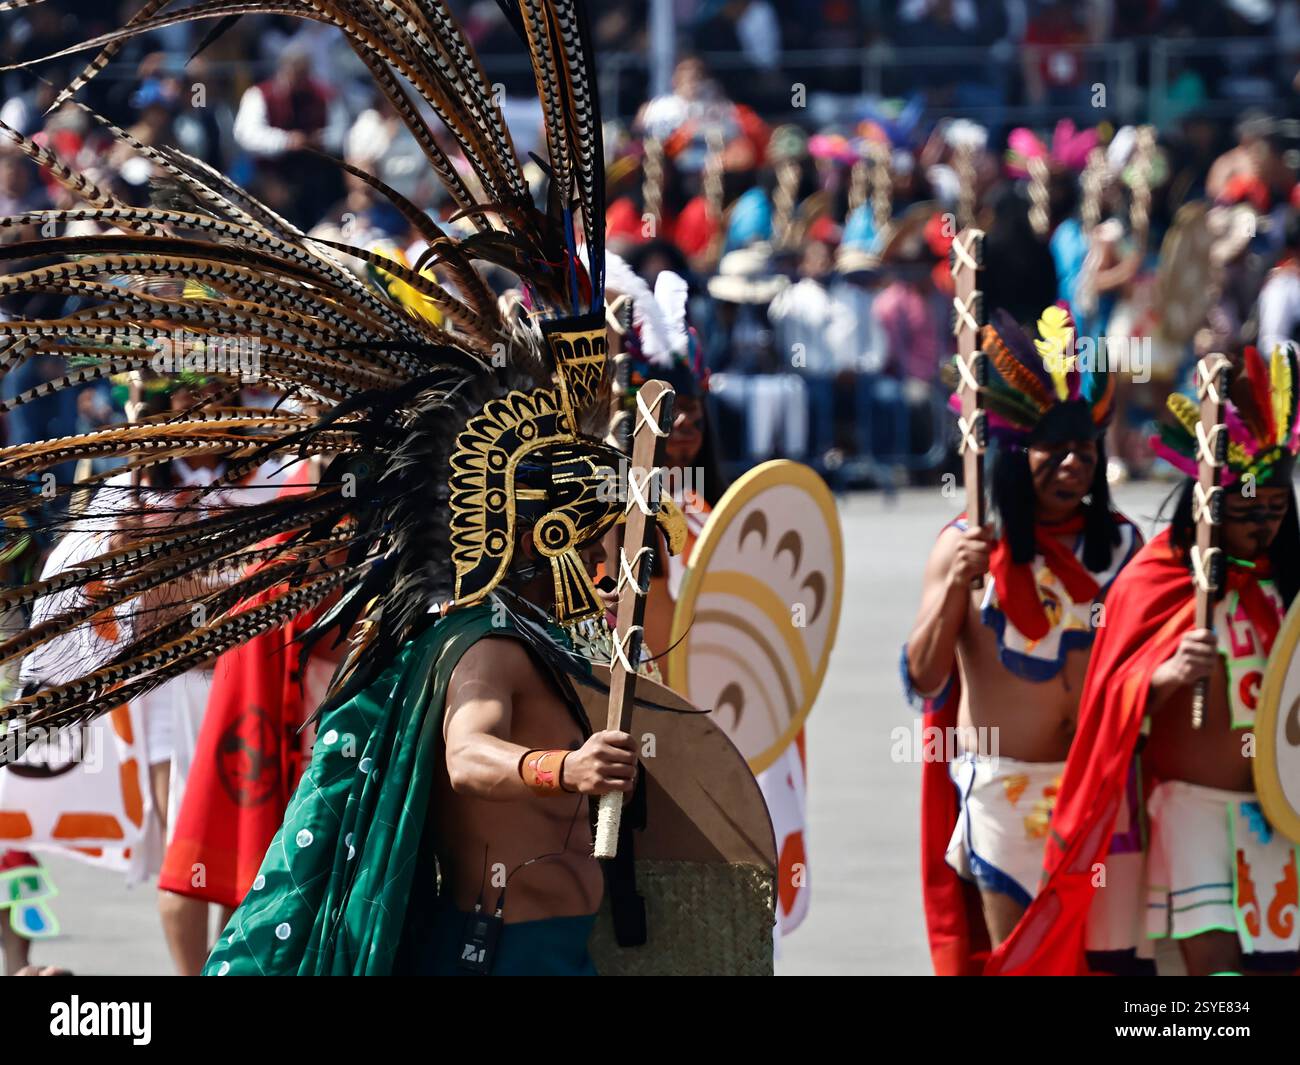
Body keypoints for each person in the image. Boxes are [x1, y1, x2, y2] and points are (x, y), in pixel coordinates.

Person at [2, 0, 775, 977]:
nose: (600, 544)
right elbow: (470, 754)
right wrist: (565, 771)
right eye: (583, 524)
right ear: (524, 531)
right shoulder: (482, 644)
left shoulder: (543, 633)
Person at [990, 344, 1300, 976]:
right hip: (1187, 810)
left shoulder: (1286, 587)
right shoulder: (1158, 577)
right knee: (1215, 967)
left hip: (1277, 818)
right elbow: (1113, 695)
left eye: (1276, 506)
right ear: (1211, 501)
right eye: (1248, 505)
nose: (1264, 522)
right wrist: (1162, 677)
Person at [903, 304, 1142, 973]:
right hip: (1006, 793)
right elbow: (923, 678)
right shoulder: (962, 544)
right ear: (1014, 452)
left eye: (1086, 451)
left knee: (1111, 968)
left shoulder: (1125, 547)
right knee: (1023, 964)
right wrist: (956, 585)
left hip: (1101, 794)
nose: (1073, 464)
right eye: (1054, 450)